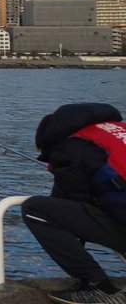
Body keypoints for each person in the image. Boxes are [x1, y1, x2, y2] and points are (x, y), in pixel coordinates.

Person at [25, 102, 126, 304]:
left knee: (35, 210)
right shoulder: (118, 131)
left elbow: (69, 201)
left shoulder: (74, 146)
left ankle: (99, 288)